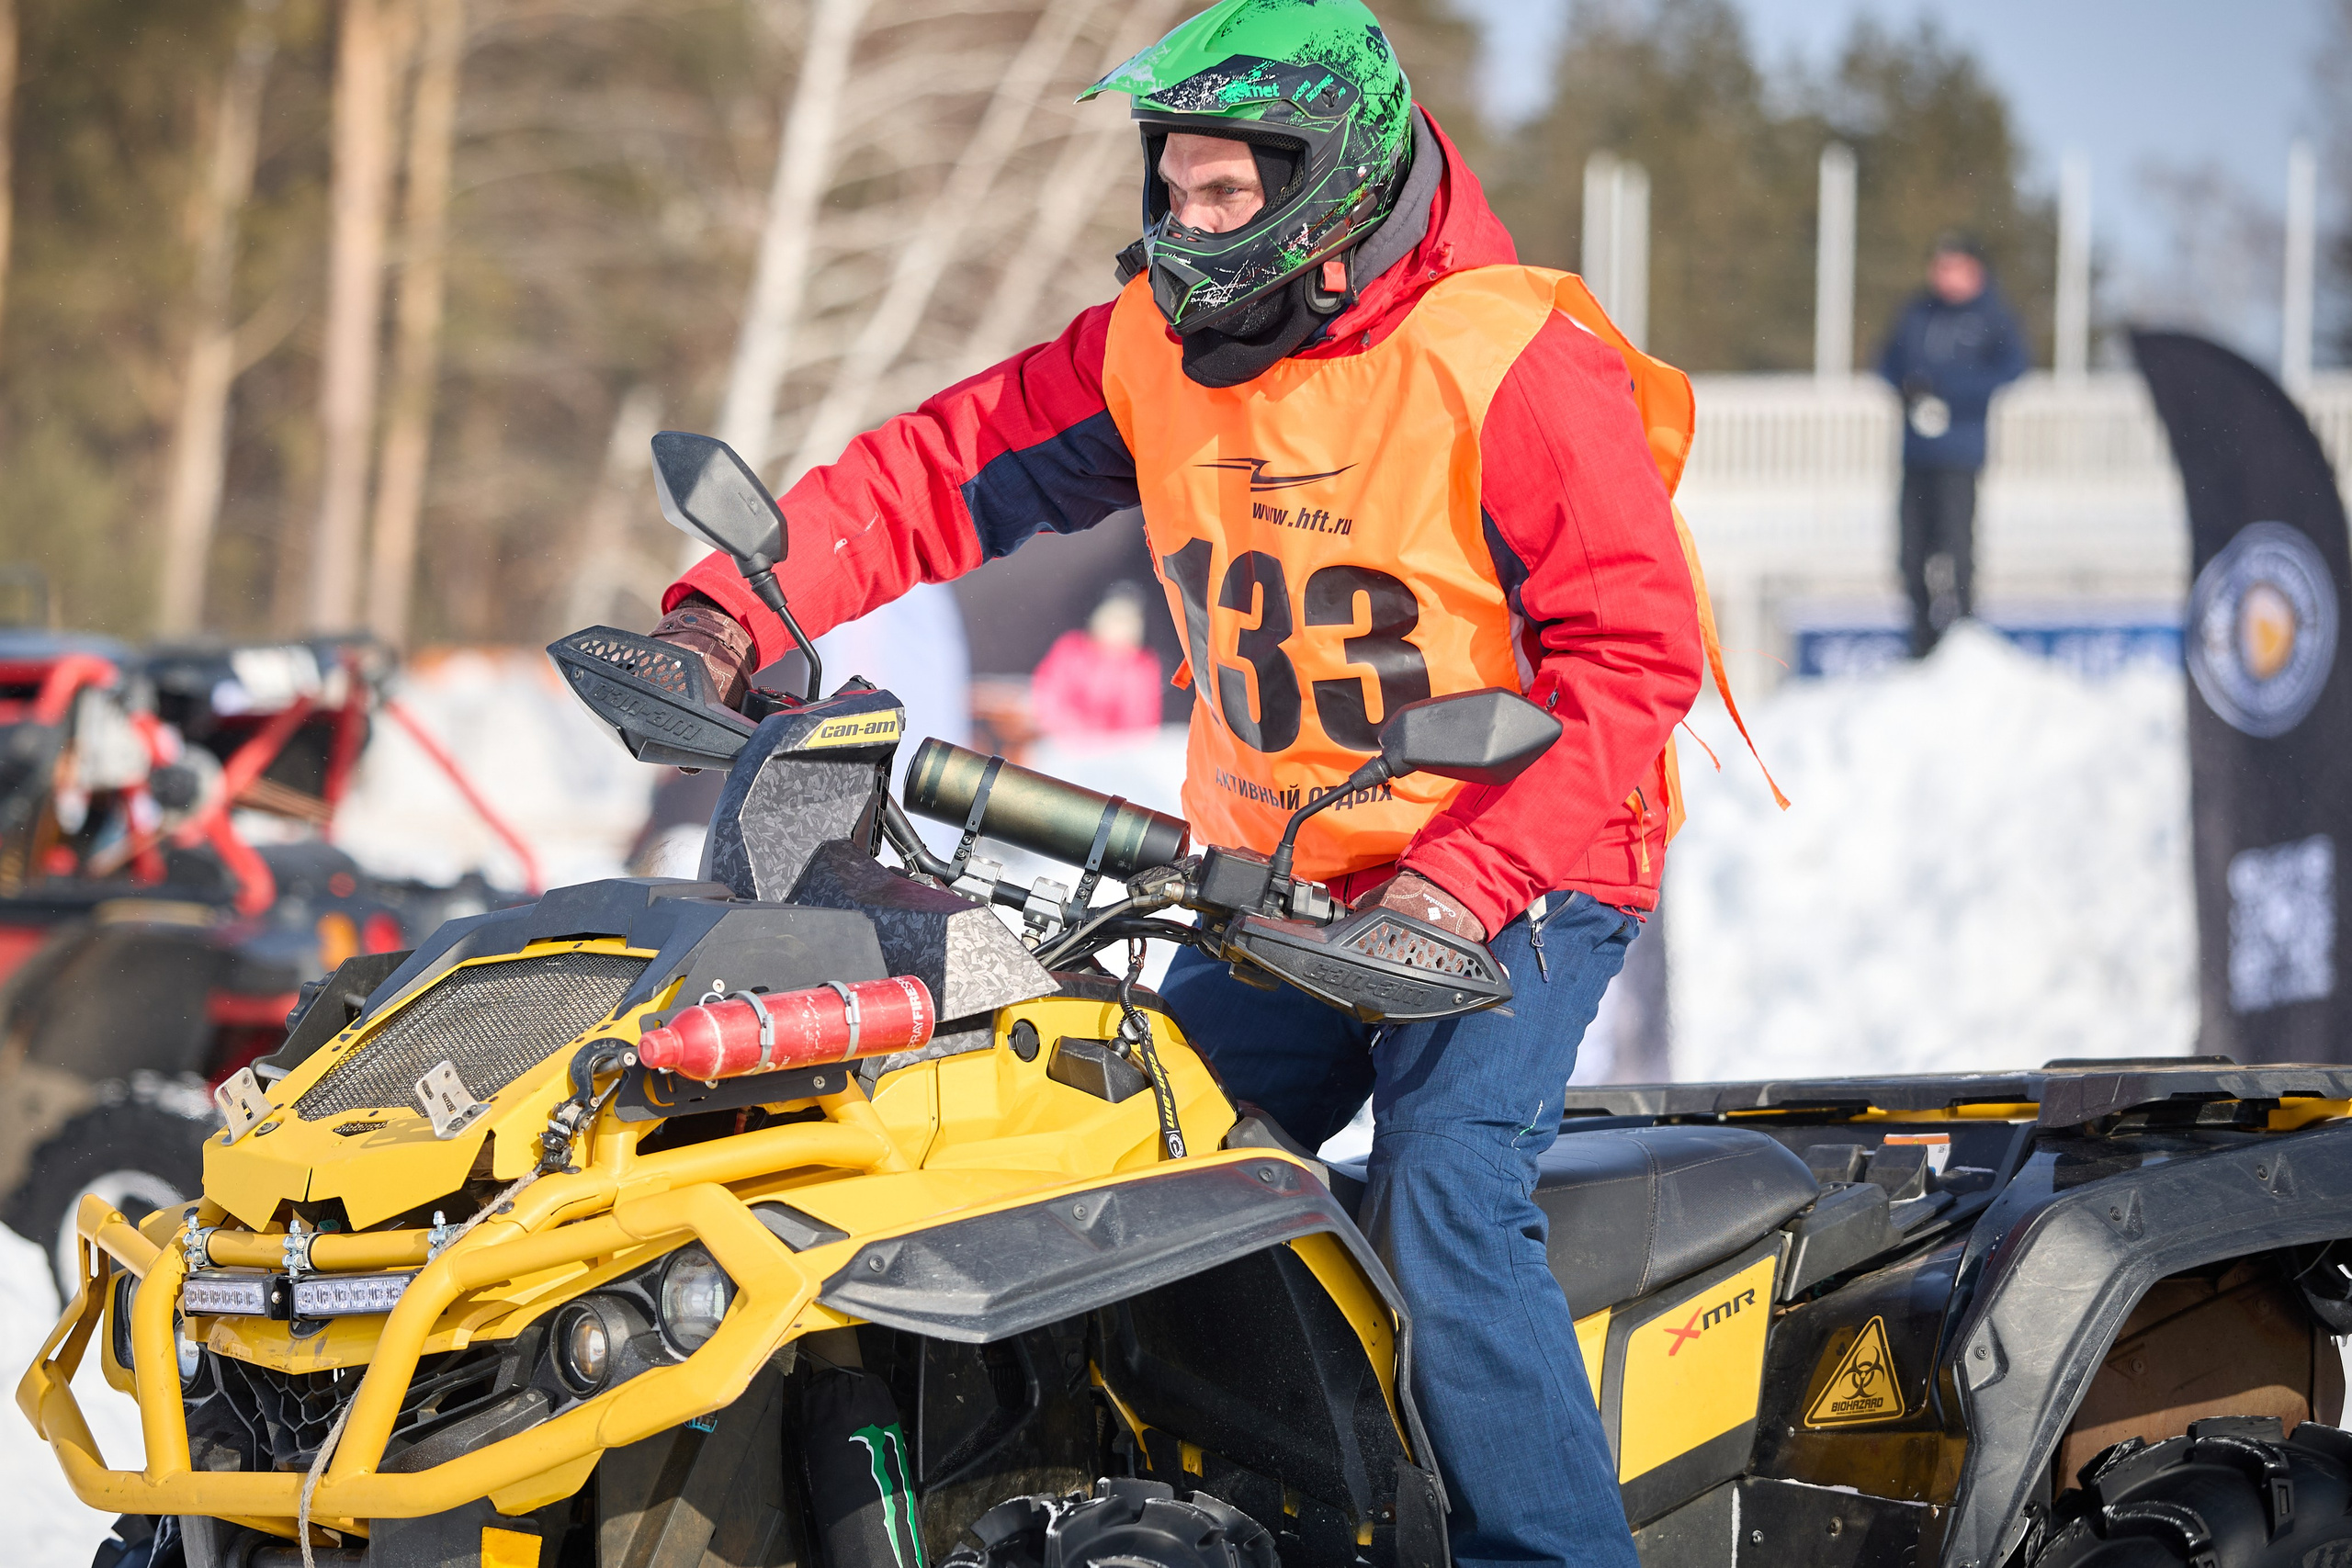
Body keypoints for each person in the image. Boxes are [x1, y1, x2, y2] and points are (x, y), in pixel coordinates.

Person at [650, 5, 1714, 1563]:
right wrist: (728, 618)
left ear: (1334, 186)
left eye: (1229, 195)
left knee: (1444, 1193)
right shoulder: (1153, 349)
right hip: (1286, 882)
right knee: (1115, 1151)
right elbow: (936, 471)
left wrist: (1456, 882)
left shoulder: (1516, 361)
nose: (1188, 224)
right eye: (1173, 185)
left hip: (1519, 870)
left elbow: (1632, 661)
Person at [1876, 231, 2029, 656]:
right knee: (1911, 553)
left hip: (1960, 453)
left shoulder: (1990, 315)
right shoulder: (1916, 311)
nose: (1942, 275)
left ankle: (1963, 638)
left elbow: (2012, 368)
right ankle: (1921, 643)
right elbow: (1886, 361)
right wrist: (1909, 388)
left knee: (1956, 548)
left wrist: (1951, 390)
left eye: (1951, 266)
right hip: (1916, 452)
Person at [1029, 582, 1165, 738]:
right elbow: (1048, 696)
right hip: (1063, 743)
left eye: (1128, 620)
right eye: (1114, 617)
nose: (1119, 627)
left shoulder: (1141, 667)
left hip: (1115, 753)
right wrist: (1076, 731)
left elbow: (1141, 721)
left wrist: (1107, 741)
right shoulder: (1071, 649)